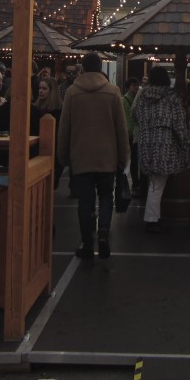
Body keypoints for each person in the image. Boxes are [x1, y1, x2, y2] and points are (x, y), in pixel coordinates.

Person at [57, 52, 129, 260]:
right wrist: (124, 156)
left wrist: (63, 156)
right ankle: (104, 232)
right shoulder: (113, 91)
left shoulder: (72, 92)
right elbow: (121, 129)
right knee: (107, 196)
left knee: (85, 202)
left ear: (83, 68)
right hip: (108, 156)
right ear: (101, 68)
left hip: (81, 156)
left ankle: (87, 244)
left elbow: (64, 129)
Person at [132, 67, 188, 233]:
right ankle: (151, 219)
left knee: (154, 180)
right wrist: (183, 143)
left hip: (145, 141)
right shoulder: (171, 97)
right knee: (157, 183)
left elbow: (135, 115)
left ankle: (153, 217)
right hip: (164, 143)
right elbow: (179, 123)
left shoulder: (142, 95)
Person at [120, 77, 143, 197]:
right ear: (128, 87)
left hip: (136, 134)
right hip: (128, 133)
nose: (135, 88)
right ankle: (130, 182)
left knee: (135, 160)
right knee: (129, 159)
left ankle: (135, 183)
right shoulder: (123, 100)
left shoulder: (139, 99)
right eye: (133, 85)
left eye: (137, 85)